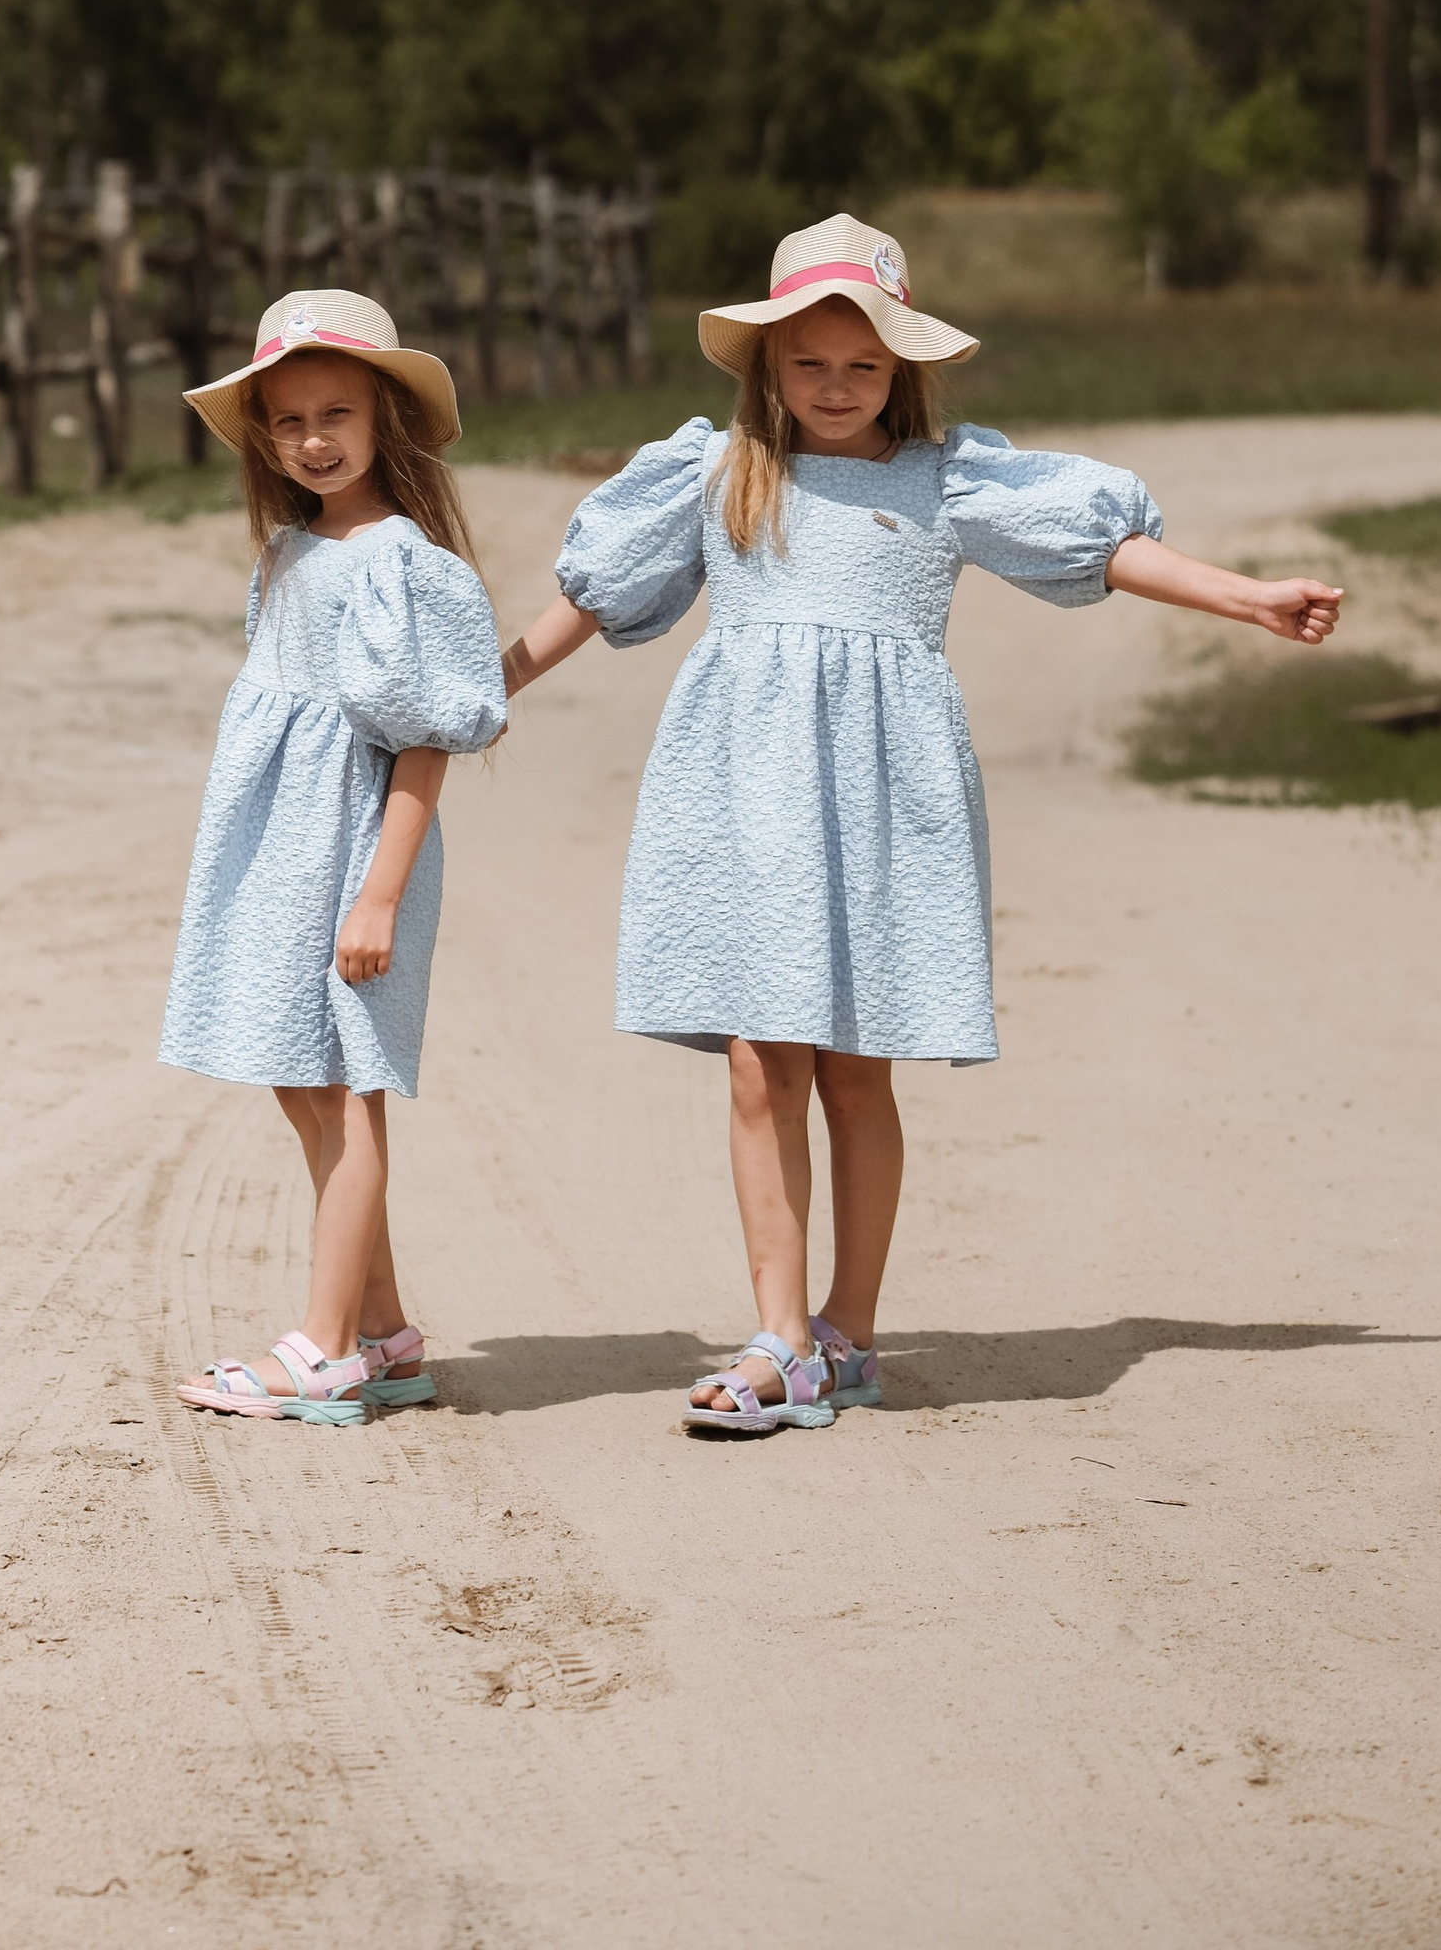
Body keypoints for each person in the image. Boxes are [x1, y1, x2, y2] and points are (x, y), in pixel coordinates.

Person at [499, 214, 1343, 1437]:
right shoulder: (716, 469)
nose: (835, 388)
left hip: (880, 806)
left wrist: (1247, 596)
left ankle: (847, 1331)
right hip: (744, 798)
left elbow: (1108, 553)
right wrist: (489, 687)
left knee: (854, 1069)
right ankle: (777, 1339)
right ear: (765, 367)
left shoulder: (948, 481)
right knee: (756, 1061)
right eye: (809, 364)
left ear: (901, 371)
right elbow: (589, 597)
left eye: (863, 366)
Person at [163, 289, 507, 1423]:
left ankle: (323, 1346)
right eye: (289, 419)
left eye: (337, 414)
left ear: (385, 423)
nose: (313, 439)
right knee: (297, 1075)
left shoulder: (402, 565)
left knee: (351, 1089)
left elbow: (419, 745)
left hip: (357, 857)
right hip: (279, 850)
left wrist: (379, 895)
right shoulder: (288, 555)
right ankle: (387, 1334)